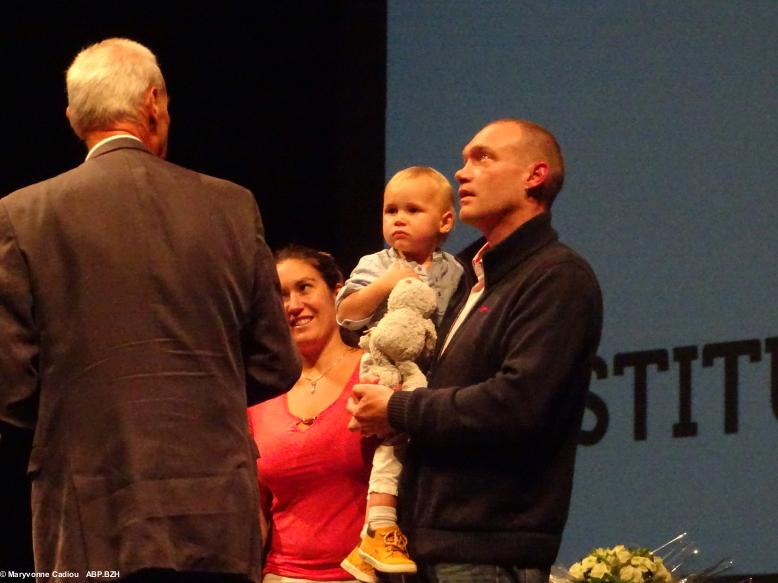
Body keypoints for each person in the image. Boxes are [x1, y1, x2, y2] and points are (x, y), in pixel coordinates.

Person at [0, 38, 301, 583]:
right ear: (154, 103)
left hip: (90, 515)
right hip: (217, 515)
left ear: (73, 117)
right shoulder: (232, 206)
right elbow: (276, 364)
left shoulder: (22, 215)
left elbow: (11, 392)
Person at [348, 119, 604, 583]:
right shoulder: (465, 279)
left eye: (483, 158)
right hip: (427, 546)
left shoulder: (557, 277)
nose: (462, 173)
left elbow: (517, 404)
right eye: (464, 159)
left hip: (487, 552)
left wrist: (398, 407)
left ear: (535, 175)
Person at [335, 167, 463, 578]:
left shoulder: (455, 271)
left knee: (417, 453)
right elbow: (346, 313)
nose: (399, 219)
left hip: (430, 375)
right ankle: (378, 528)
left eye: (412, 209)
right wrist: (386, 283)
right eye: (391, 210)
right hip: (385, 367)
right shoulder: (377, 263)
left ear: (444, 222)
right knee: (392, 442)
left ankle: (385, 537)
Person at [248, 245, 379, 583]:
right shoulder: (261, 394)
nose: (294, 306)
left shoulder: (376, 371)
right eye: (281, 295)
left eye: (305, 288)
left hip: (363, 575)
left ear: (337, 291)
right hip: (281, 576)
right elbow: (256, 515)